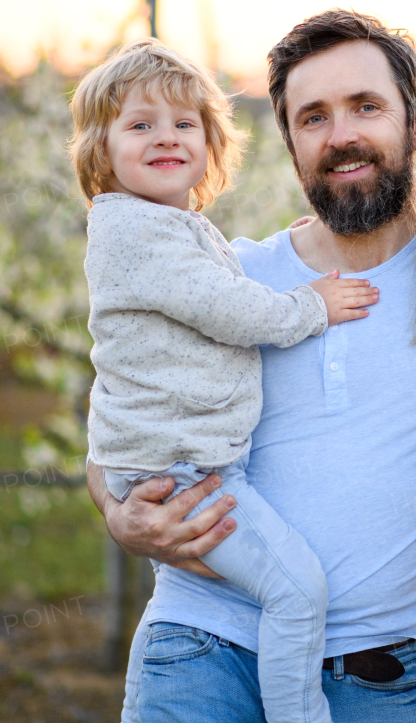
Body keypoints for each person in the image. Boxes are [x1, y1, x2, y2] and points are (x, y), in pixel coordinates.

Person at [86, 10, 416, 723]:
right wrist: (120, 514)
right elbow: (115, 419)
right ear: (291, 143)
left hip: (375, 676)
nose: (342, 136)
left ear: (415, 123)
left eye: (366, 106)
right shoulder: (230, 277)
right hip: (201, 650)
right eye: (313, 117)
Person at [70, 38, 380, 723]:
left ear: (211, 143)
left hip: (188, 463)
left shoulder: (180, 228)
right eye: (140, 123)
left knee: (289, 587)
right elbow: (223, 306)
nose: (166, 138)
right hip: (185, 474)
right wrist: (311, 306)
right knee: (298, 590)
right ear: (102, 147)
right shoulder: (133, 232)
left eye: (185, 124)